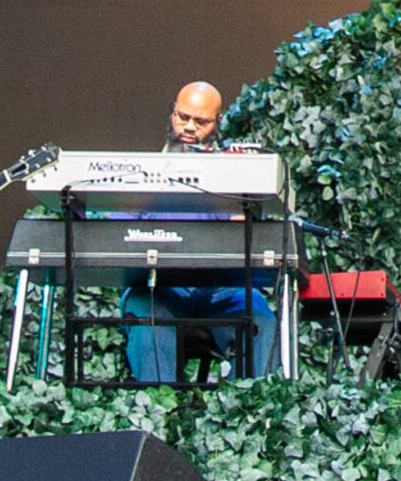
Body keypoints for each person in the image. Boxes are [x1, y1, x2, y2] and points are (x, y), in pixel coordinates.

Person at [120, 79, 281, 384]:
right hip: (158, 288)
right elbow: (115, 238)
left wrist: (234, 196)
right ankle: (157, 414)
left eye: (201, 121)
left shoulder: (232, 175)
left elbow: (244, 241)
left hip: (220, 289)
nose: (190, 127)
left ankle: (247, 413)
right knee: (148, 320)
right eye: (183, 117)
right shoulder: (138, 174)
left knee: (261, 321)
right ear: (172, 114)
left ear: (217, 123)